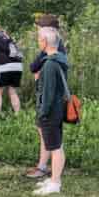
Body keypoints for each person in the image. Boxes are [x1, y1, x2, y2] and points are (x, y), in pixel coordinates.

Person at [27, 14, 68, 179]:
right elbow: (33, 67)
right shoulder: (55, 49)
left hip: (49, 104)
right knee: (51, 137)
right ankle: (46, 167)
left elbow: (35, 67)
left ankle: (49, 171)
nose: (37, 33)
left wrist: (43, 111)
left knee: (52, 140)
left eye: (39, 29)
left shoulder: (53, 53)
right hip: (51, 102)